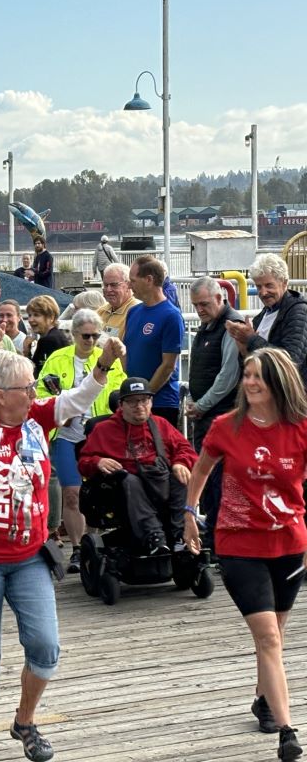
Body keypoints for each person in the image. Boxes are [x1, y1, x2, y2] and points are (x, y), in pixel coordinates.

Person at [0, 325, 124, 762]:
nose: (34, 393)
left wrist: (104, 362)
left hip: (29, 555)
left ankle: (24, 720)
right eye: (26, 388)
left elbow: (78, 399)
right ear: (0, 394)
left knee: (45, 646)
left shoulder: (37, 417)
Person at [183, 348, 307, 762]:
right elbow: (201, 470)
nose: (250, 382)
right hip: (238, 545)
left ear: (279, 382)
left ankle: (263, 699)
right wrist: (189, 513)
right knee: (269, 636)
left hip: (289, 545)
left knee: (273, 636)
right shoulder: (225, 426)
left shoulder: (301, 429)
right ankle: (287, 731)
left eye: (258, 376)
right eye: (247, 375)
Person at [38, 309, 126, 571]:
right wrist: (58, 409)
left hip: (96, 435)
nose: (90, 340)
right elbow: (41, 390)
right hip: (66, 433)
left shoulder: (107, 358)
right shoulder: (57, 358)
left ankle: (93, 541)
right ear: (74, 334)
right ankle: (77, 547)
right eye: (85, 335)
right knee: (71, 493)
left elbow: (118, 394)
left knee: (98, 492)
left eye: (95, 335)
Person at [78, 377, 197, 554]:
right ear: (121, 404)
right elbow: (83, 463)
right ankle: (154, 536)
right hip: (125, 491)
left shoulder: (161, 424)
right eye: (132, 401)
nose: (139, 406)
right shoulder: (103, 430)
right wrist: (98, 462)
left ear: (151, 402)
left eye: (144, 400)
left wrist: (181, 463)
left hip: (160, 483)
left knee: (180, 476)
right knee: (130, 480)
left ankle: (180, 535)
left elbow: (186, 450)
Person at [185, 276, 242, 549]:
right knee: (207, 477)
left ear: (221, 298)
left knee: (219, 479)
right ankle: (213, 535)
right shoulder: (207, 326)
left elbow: (228, 375)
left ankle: (222, 541)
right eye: (195, 305)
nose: (199, 310)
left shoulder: (232, 325)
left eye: (205, 304)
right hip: (205, 415)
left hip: (222, 414)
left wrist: (202, 404)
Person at [227, 253, 307, 385]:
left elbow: (291, 360)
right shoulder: (264, 314)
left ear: (284, 283)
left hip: (291, 396)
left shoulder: (298, 312)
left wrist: (251, 339)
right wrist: (243, 349)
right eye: (259, 287)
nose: (263, 292)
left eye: (269, 285)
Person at [124, 255, 184, 427]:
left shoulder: (171, 316)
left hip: (161, 403)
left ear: (149, 280)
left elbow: (168, 366)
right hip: (133, 402)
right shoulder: (133, 312)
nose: (129, 285)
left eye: (133, 281)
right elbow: (129, 354)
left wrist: (145, 396)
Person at [97, 262, 139, 340]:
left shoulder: (136, 312)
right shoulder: (101, 311)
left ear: (128, 285)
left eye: (114, 285)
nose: (108, 289)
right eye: (106, 285)